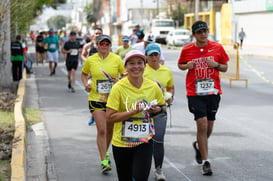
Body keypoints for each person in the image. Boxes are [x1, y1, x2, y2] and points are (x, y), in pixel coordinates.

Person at [177, 20, 229, 176]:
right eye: (199, 32)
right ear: (194, 34)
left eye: (205, 31)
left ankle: (199, 145)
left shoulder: (217, 47)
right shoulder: (187, 49)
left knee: (209, 127)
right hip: (195, 92)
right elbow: (180, 64)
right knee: (202, 123)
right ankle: (206, 162)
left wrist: (216, 65)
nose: (203, 34)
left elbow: (225, 67)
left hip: (213, 92)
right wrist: (187, 66)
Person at [106, 49, 166, 181]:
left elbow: (163, 108)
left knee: (141, 177)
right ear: (125, 67)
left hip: (144, 140)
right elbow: (109, 117)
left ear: (145, 65)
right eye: (132, 63)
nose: (136, 66)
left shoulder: (152, 86)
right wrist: (133, 112)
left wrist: (156, 110)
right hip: (122, 143)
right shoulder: (118, 88)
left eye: (140, 63)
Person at [81, 35, 126, 174]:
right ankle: (104, 161)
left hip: (112, 100)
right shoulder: (91, 60)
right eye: (102, 44)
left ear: (110, 46)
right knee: (101, 129)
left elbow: (125, 75)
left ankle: (105, 151)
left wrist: (117, 80)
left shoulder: (116, 59)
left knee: (110, 129)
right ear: (97, 45)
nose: (104, 46)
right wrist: (86, 84)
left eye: (107, 44)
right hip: (96, 99)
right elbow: (84, 74)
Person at [143, 43, 174, 181]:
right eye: (151, 55)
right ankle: (142, 169)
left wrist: (170, 97)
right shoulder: (142, 70)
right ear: (146, 57)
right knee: (144, 142)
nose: (154, 58)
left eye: (156, 54)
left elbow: (170, 87)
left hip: (160, 111)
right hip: (143, 112)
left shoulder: (166, 71)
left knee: (158, 140)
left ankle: (159, 170)